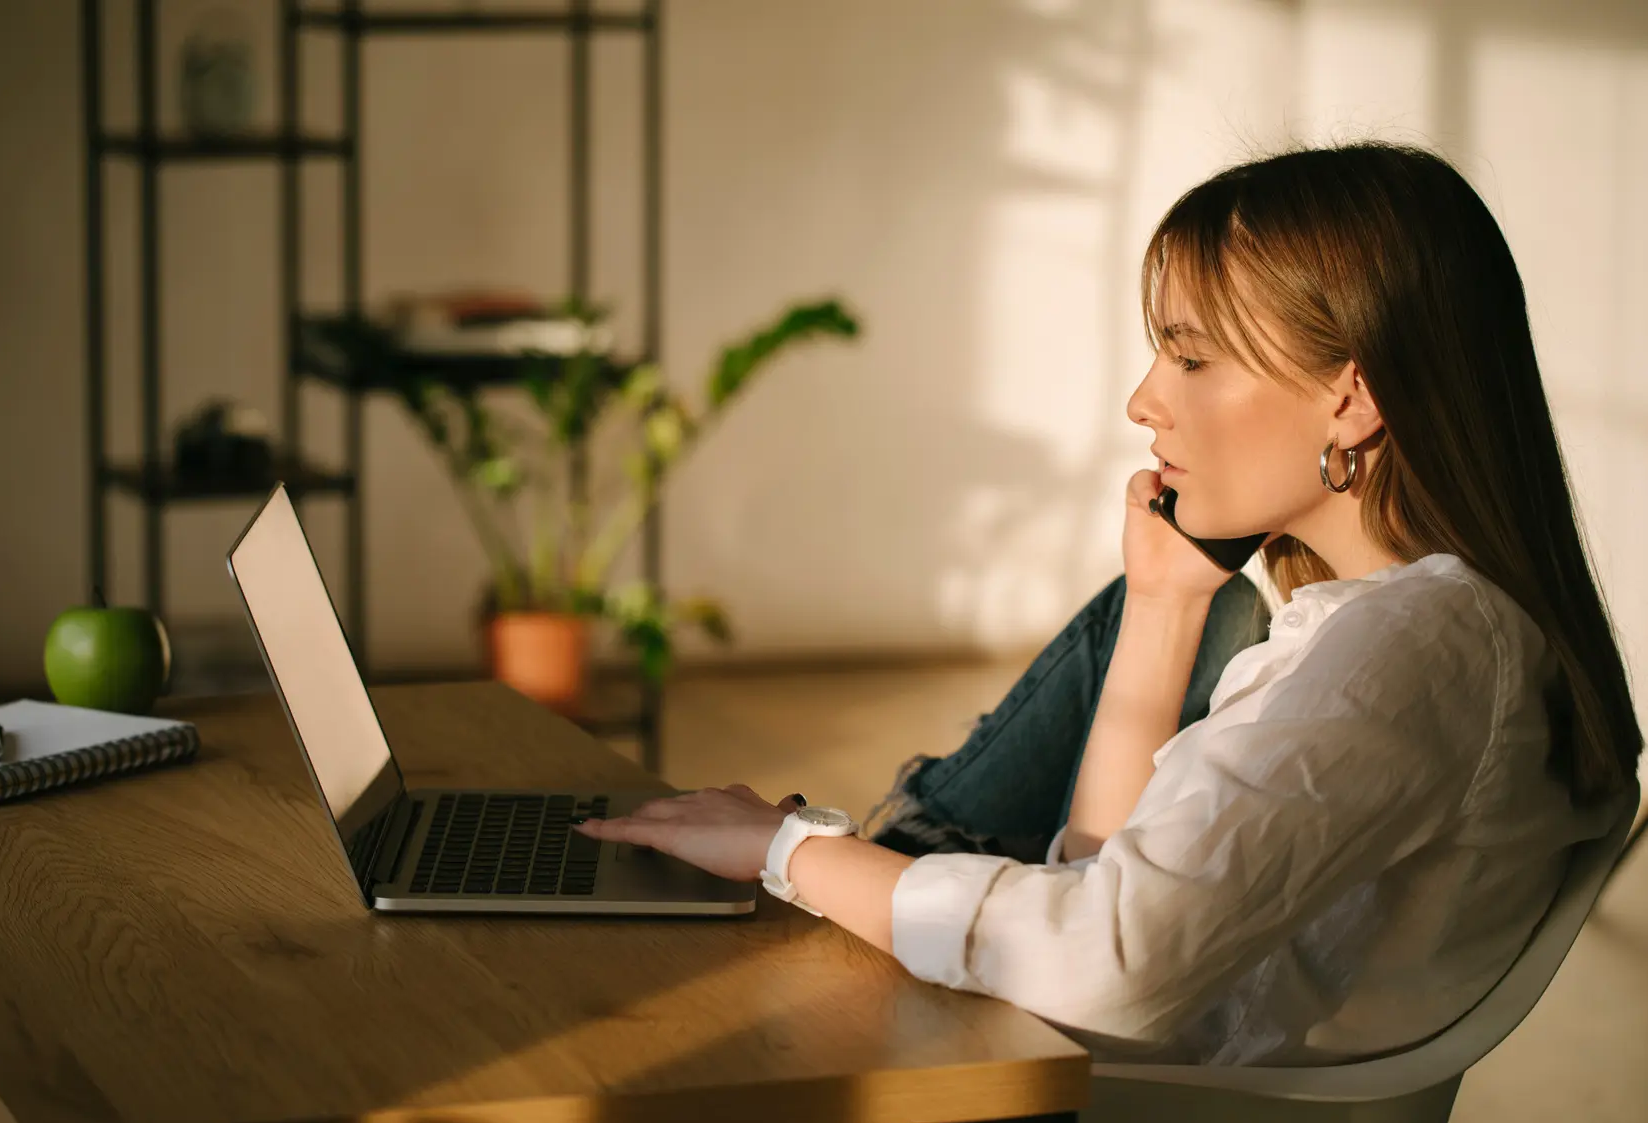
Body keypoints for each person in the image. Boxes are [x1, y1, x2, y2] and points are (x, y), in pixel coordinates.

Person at [571, 142, 1642, 1066]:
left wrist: (783, 846)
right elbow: (1098, 882)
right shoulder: (1412, 629)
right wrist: (1162, 603)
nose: (1143, 401)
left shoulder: (1413, 643)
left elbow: (1099, 967)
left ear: (1350, 397)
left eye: (1189, 356)